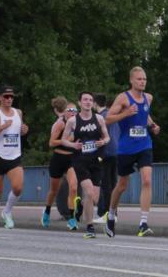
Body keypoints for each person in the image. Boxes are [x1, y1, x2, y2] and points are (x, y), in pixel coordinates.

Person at [105, 66, 160, 238]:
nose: (142, 82)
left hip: (144, 144)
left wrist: (152, 125)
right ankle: (111, 214)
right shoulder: (123, 98)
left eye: (144, 79)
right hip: (126, 147)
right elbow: (107, 119)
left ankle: (143, 223)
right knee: (122, 186)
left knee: (147, 180)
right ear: (131, 80)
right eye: (139, 79)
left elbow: (145, 115)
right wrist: (126, 113)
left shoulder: (148, 98)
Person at [0, 85, 27, 237]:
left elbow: (19, 129)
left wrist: (24, 129)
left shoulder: (18, 112)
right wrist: (1, 127)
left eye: (11, 97)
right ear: (0, 98)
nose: (9, 99)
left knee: (18, 187)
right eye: (6, 96)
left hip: (14, 156)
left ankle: (7, 212)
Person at [64, 91, 110, 238]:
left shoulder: (99, 119)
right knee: (89, 193)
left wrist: (103, 142)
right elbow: (63, 140)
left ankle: (80, 207)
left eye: (90, 100)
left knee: (93, 197)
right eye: (85, 100)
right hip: (80, 161)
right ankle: (90, 228)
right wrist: (73, 146)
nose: (88, 102)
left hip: (96, 161)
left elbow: (107, 137)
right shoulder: (73, 121)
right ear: (79, 103)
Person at [42, 97, 79, 229]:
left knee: (73, 187)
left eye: (75, 110)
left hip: (71, 159)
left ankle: (71, 218)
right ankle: (46, 211)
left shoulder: (78, 124)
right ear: (65, 112)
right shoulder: (61, 124)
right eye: (70, 110)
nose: (73, 112)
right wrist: (66, 140)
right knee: (54, 190)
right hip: (58, 158)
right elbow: (51, 143)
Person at [94, 93, 119, 224]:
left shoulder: (101, 117)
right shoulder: (112, 115)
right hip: (116, 151)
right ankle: (114, 213)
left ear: (95, 103)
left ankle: (104, 213)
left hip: (105, 152)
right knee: (113, 184)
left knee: (105, 185)